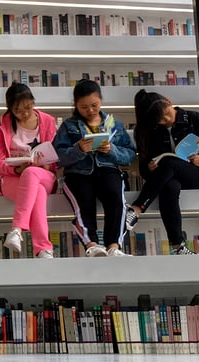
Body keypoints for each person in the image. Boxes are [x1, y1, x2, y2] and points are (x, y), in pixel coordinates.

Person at [127, 90, 199, 255]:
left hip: (198, 176)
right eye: (160, 120)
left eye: (166, 114)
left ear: (169, 102)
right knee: (169, 186)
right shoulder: (151, 130)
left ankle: (137, 208)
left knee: (170, 163)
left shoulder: (194, 119)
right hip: (168, 180)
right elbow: (144, 169)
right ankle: (179, 246)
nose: (166, 120)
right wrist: (149, 169)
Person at [52, 79, 136, 257]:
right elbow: (57, 157)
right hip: (79, 173)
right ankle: (92, 244)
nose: (90, 110)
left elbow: (129, 155)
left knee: (116, 197)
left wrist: (112, 150)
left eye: (94, 105)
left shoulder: (114, 123)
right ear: (76, 105)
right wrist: (79, 149)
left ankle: (114, 246)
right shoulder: (69, 126)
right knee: (84, 199)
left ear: (101, 101)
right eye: (84, 107)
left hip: (108, 170)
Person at [0, 81, 60, 259]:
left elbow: (55, 160)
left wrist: (44, 164)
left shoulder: (47, 121)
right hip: (10, 178)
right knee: (35, 190)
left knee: (31, 173)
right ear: (10, 109)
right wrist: (16, 170)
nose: (25, 113)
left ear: (33, 102)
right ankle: (44, 249)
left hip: (43, 174)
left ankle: (16, 229)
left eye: (28, 107)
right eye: (18, 111)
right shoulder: (0, 126)